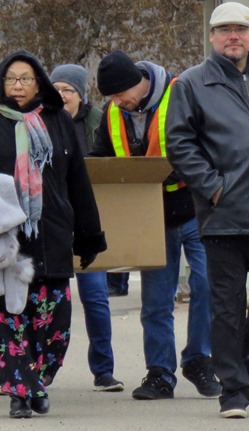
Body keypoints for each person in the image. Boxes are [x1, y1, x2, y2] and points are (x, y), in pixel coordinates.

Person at [165, 1, 249, 419]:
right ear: (212, 37)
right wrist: (213, 188)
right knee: (226, 305)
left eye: (240, 29)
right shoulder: (191, 84)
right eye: (224, 30)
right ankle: (233, 389)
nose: (232, 36)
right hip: (222, 216)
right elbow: (179, 143)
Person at [91, 50, 220, 401]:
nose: (119, 103)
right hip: (150, 218)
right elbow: (101, 155)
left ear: (140, 81)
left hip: (195, 207)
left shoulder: (181, 93)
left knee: (208, 285)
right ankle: (160, 373)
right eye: (113, 98)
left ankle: (199, 359)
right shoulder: (113, 112)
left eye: (122, 95)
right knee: (156, 301)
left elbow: (209, 144)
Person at [0, 50, 107, 418]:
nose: (17, 86)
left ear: (39, 82)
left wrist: (90, 235)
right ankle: (20, 390)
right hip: (8, 242)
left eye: (25, 79)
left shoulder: (57, 120)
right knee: (11, 318)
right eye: (11, 78)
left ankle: (39, 379)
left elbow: (77, 180)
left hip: (53, 233)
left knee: (54, 323)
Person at [49, 64, 123, 392]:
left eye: (69, 89)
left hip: (87, 220)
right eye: (57, 88)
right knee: (45, 301)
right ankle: (38, 370)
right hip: (51, 223)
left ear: (81, 94)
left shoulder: (99, 122)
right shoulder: (43, 120)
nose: (62, 95)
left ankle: (104, 371)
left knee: (95, 297)